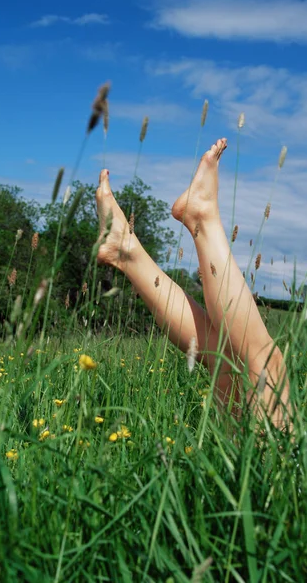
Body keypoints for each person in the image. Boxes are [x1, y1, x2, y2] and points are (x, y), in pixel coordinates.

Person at [95, 138, 290, 430]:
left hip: (274, 470)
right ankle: (130, 250)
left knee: (264, 363)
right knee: (227, 358)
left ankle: (196, 220)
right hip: (271, 470)